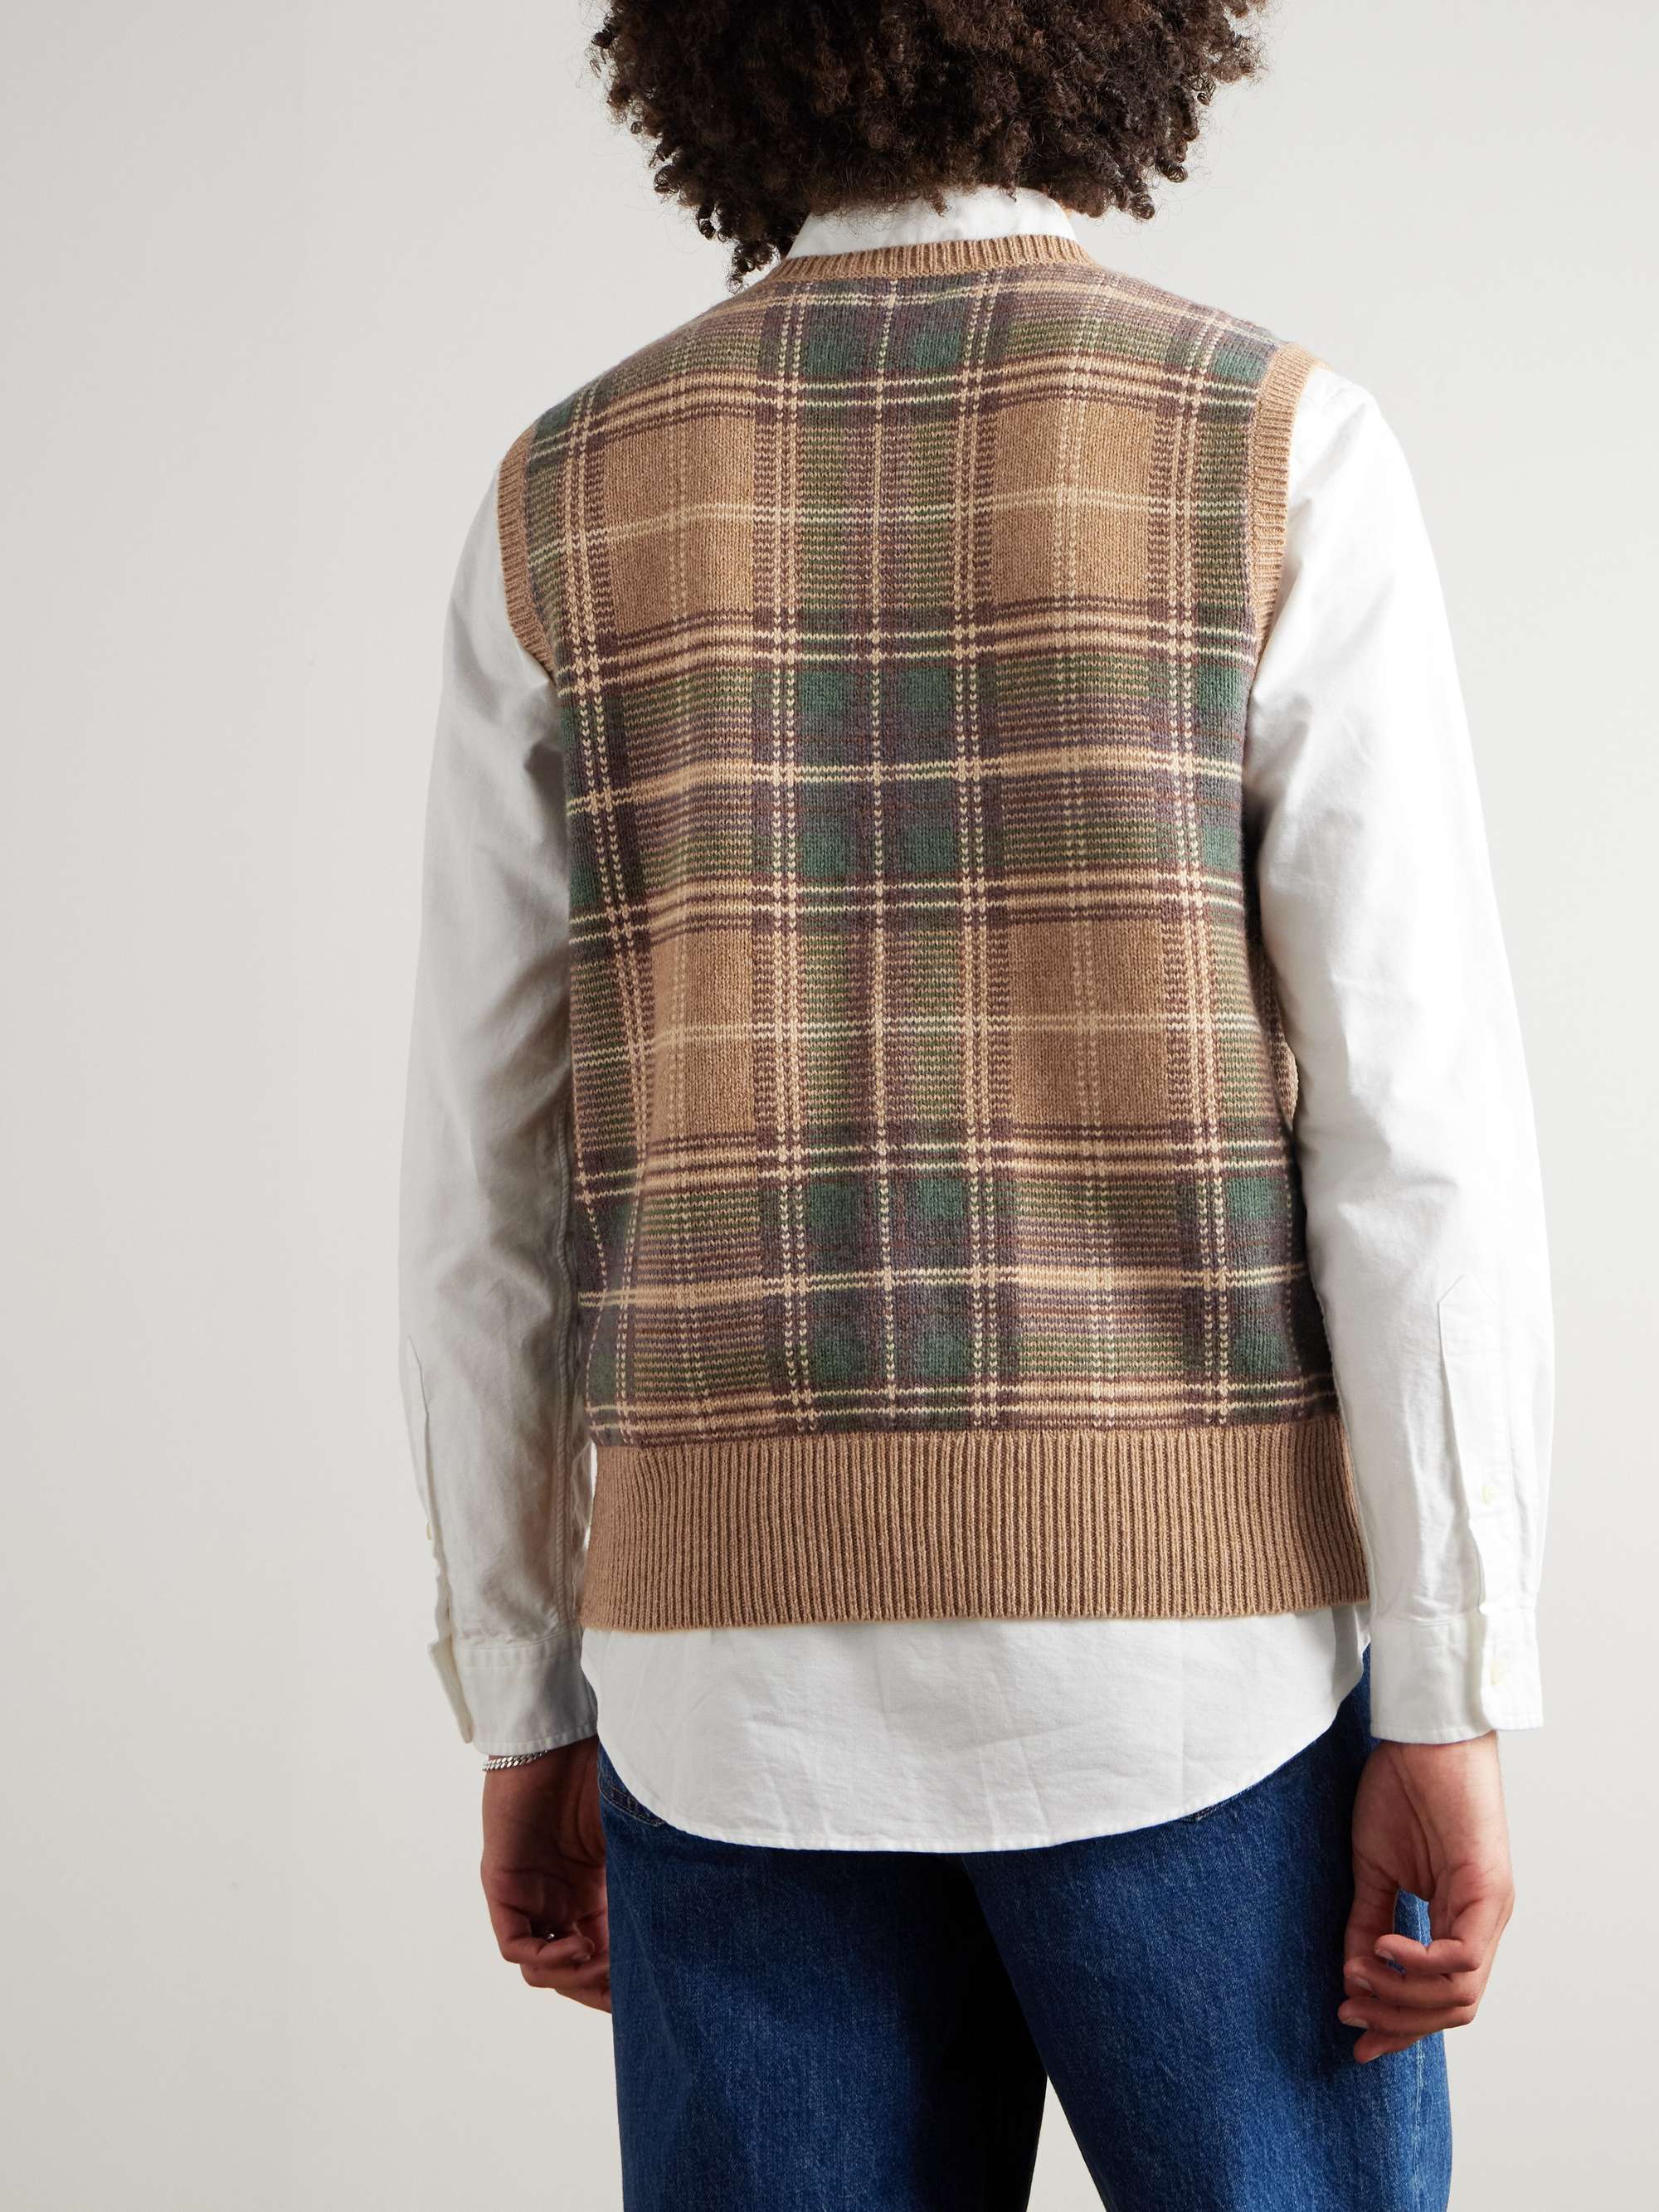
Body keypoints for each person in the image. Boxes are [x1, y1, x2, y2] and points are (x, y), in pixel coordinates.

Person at [397, 6, 1551, 2206]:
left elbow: (486, 1188)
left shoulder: (564, 492)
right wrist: (1452, 1684)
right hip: (1197, 1665)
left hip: (726, 1692)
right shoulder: (1274, 447)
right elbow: (1414, 1144)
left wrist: (524, 1690)